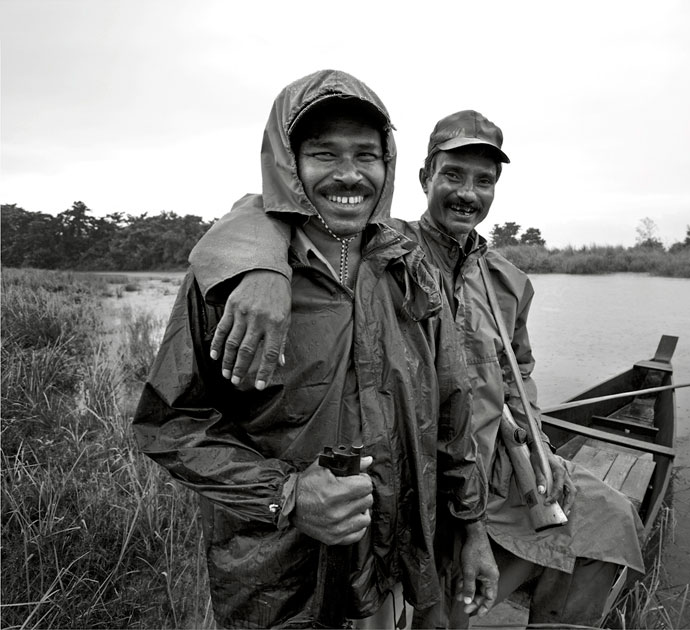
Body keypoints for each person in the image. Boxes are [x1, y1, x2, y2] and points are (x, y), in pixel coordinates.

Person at [188, 109, 645, 627]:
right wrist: (264, 268)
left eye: (483, 181)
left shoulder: (509, 281)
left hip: (489, 465)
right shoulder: (385, 250)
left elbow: (520, 373)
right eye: (452, 175)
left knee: (612, 518)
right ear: (425, 177)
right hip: (415, 471)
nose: (466, 193)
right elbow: (261, 209)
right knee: (435, 599)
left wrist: (540, 447)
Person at [133, 70, 498, 629]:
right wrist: (287, 494)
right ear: (289, 165)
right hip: (279, 580)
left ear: (388, 164)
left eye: (366, 155)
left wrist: (472, 530)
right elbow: (169, 424)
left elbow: (452, 413)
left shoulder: (410, 271)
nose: (349, 174)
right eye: (324, 154)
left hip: (390, 566)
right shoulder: (233, 284)